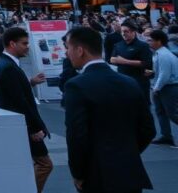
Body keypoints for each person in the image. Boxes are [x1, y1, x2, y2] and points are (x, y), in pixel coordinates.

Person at [63, 26, 155, 193]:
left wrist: (78, 172)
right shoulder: (129, 82)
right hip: (129, 170)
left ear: (80, 50)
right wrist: (128, 152)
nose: (66, 53)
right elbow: (148, 129)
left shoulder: (76, 85)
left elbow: (77, 135)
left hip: (97, 173)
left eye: (68, 48)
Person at [0, 27, 52, 192]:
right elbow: (19, 102)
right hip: (24, 126)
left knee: (33, 164)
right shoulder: (8, 67)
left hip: (20, 125)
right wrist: (35, 128)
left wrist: (30, 82)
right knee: (45, 164)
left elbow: (16, 94)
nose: (28, 46)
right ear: (12, 44)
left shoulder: (7, 64)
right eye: (24, 43)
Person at [147, 29, 178, 146]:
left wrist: (156, 88)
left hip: (168, 87)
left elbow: (165, 74)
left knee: (172, 114)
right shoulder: (160, 53)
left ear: (159, 41)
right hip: (164, 86)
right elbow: (161, 71)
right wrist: (152, 72)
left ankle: (166, 136)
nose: (149, 42)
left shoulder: (163, 55)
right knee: (161, 112)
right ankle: (166, 136)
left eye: (151, 40)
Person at [110, 20, 153, 102]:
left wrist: (124, 61)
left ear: (133, 32)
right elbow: (112, 59)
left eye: (126, 31)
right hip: (123, 82)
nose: (123, 34)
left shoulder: (143, 46)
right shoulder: (118, 45)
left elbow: (146, 63)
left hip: (139, 82)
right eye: (122, 31)